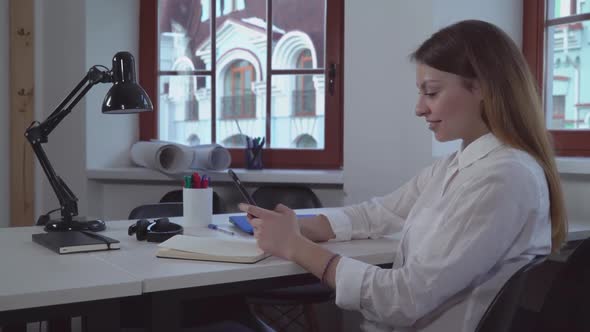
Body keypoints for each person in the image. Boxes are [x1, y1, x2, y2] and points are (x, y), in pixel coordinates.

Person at [239, 20, 567, 331]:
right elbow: (380, 213)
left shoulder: (503, 179)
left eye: (432, 92)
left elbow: (404, 299)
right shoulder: (457, 166)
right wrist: (301, 224)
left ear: (481, 87)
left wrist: (296, 247)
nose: (419, 108)